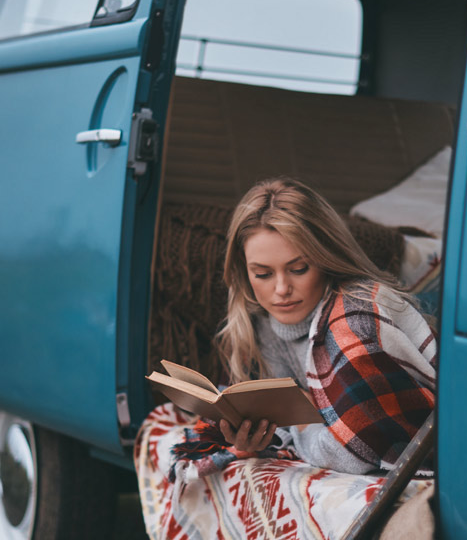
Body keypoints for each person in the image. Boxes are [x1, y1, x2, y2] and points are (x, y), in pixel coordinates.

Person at [135, 177, 437, 538]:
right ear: (243, 274)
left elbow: (357, 451)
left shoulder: (353, 321)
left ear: (326, 258)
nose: (280, 290)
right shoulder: (266, 324)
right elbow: (290, 415)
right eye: (262, 274)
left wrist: (302, 426)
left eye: (298, 269)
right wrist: (259, 437)